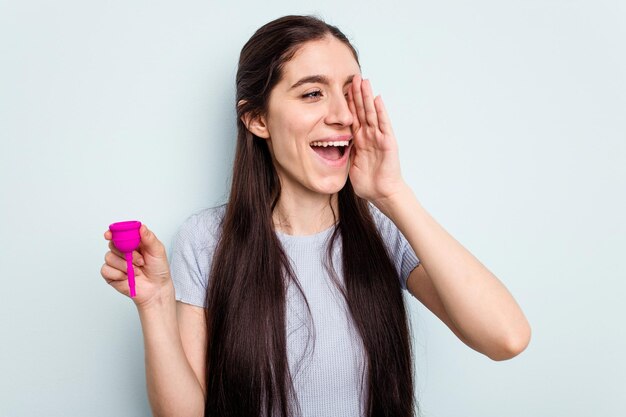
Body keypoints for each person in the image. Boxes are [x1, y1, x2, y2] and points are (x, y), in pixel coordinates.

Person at [100, 15, 531, 417]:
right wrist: (155, 303)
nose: (342, 115)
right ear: (256, 119)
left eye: (349, 93)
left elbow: (506, 338)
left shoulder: (385, 228)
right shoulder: (206, 238)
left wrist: (393, 194)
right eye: (312, 93)